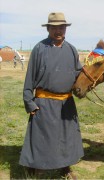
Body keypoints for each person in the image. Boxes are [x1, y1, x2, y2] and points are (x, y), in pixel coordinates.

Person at [19, 12, 84, 178]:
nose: (58, 30)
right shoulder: (39, 49)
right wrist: (29, 102)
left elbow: (78, 75)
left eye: (62, 27)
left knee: (65, 138)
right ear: (48, 28)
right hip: (44, 103)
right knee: (43, 138)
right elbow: (29, 79)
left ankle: (65, 167)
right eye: (54, 27)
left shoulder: (71, 50)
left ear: (65, 29)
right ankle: (38, 166)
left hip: (66, 104)